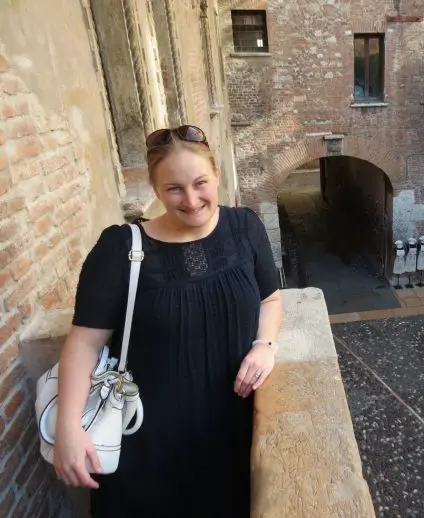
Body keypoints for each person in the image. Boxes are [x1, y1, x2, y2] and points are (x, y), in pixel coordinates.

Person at [52, 125, 283, 517]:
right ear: (156, 190)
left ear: (216, 176)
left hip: (228, 435)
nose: (191, 200)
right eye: (174, 188)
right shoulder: (120, 248)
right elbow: (84, 343)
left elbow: (271, 298)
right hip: (146, 443)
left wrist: (265, 346)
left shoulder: (245, 228)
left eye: (200, 183)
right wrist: (68, 428)